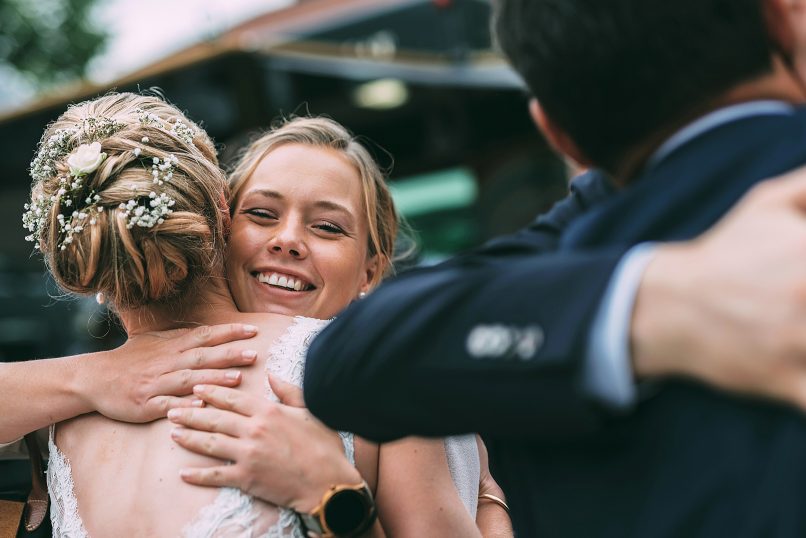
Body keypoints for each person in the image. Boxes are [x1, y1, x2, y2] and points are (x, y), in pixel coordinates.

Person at [302, 0, 806, 535]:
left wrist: (619, 306)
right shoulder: (595, 232)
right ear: (783, 17)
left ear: (556, 131)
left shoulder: (582, 256)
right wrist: (658, 301)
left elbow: (350, 363)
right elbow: (350, 358)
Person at [23, 93, 497, 537]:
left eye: (328, 227)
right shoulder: (373, 371)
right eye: (263, 214)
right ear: (221, 218)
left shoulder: (53, 426)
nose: (286, 241)